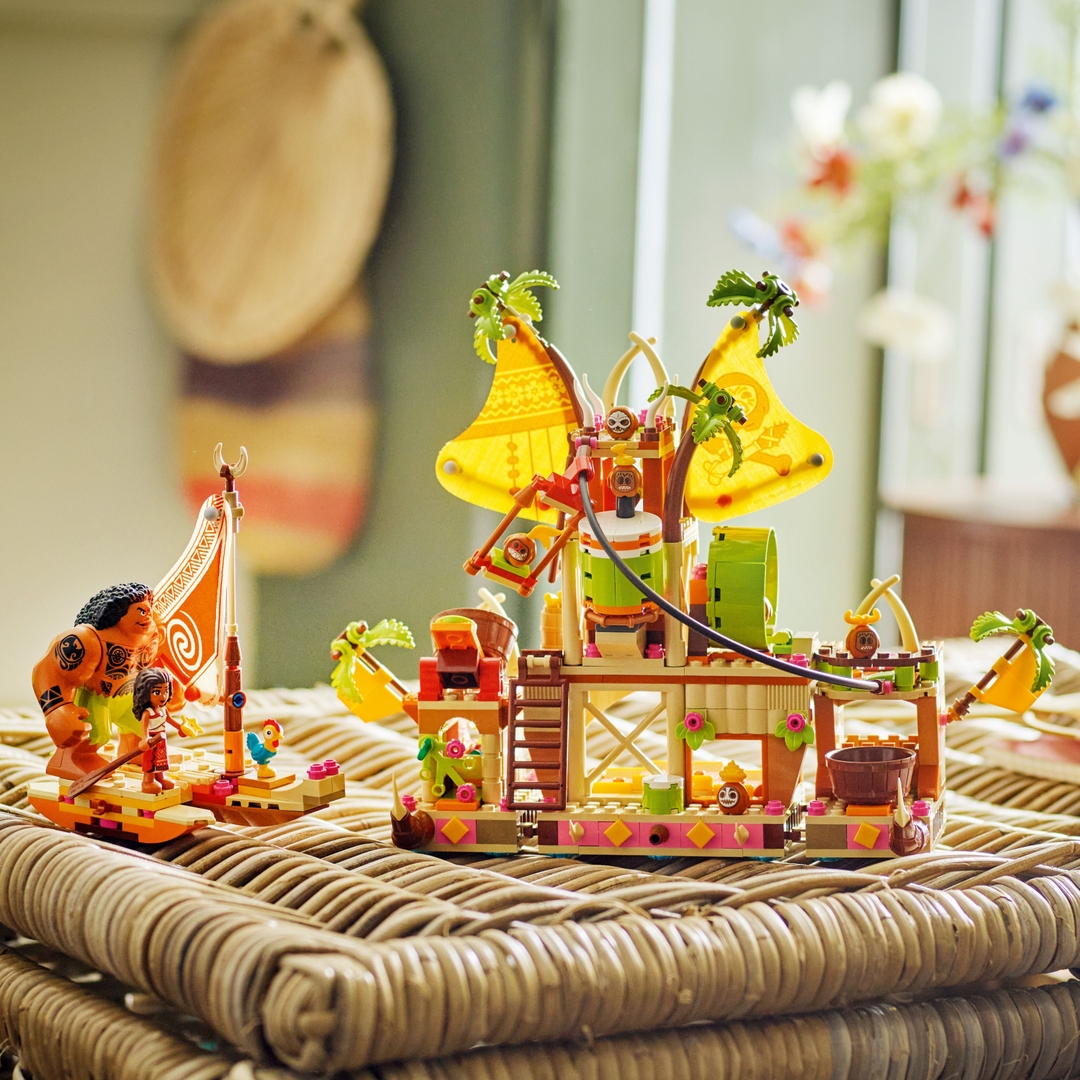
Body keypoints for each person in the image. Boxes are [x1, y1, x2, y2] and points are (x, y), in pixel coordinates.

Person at [32, 583, 184, 779]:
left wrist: (171, 683)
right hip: (96, 698)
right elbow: (49, 669)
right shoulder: (87, 640)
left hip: (131, 694)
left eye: (148, 610)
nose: (147, 616)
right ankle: (71, 759)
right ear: (118, 614)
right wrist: (56, 709)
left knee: (147, 724)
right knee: (98, 734)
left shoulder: (156, 629)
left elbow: (157, 657)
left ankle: (134, 750)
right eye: (140, 611)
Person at [132, 668, 188, 793]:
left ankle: (160, 778)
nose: (163, 696)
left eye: (166, 691)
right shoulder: (148, 712)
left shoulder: (163, 709)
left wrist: (180, 728)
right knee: (150, 762)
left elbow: (169, 719)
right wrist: (145, 739)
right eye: (157, 692)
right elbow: (144, 728)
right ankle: (148, 781)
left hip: (161, 740)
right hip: (152, 740)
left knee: (160, 761)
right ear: (145, 693)